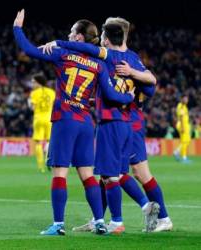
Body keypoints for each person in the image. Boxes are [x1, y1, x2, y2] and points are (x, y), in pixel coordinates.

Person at [41, 17, 172, 233]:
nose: (99, 40)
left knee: (125, 173)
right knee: (110, 174)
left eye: (102, 35)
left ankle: (142, 215)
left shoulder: (109, 56)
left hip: (118, 122)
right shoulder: (132, 58)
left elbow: (151, 82)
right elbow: (150, 87)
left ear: (108, 37)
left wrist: (58, 43)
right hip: (127, 122)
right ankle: (99, 218)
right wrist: (131, 81)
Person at [13, 9, 134, 236]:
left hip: (65, 119)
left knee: (60, 173)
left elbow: (28, 49)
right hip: (86, 123)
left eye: (72, 32)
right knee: (87, 175)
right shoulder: (98, 64)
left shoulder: (62, 54)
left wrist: (17, 28)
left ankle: (58, 225)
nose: (68, 35)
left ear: (79, 37)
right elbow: (112, 95)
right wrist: (129, 97)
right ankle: (99, 221)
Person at [29, 73, 55, 173]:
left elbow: (32, 107)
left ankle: (41, 167)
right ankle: (48, 160)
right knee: (49, 141)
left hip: (38, 119)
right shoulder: (52, 92)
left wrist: (30, 103)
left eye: (34, 82)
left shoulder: (34, 93)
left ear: (39, 82)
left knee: (38, 142)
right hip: (49, 119)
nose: (33, 84)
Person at [173, 95, 191, 163]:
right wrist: (183, 127)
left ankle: (182, 155)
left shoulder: (185, 107)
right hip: (182, 125)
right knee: (184, 141)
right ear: (182, 99)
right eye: (185, 99)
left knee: (187, 141)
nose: (186, 100)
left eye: (187, 99)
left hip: (186, 125)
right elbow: (181, 117)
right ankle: (179, 154)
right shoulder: (180, 106)